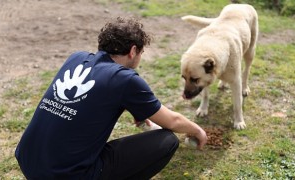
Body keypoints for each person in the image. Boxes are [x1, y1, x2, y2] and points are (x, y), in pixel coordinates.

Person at [15, 16, 207, 180]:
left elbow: (94, 96)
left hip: (28, 162)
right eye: (141, 52)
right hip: (67, 175)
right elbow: (172, 121)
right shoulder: (124, 79)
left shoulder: (77, 58)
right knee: (167, 141)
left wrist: (135, 107)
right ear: (133, 51)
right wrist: (197, 130)